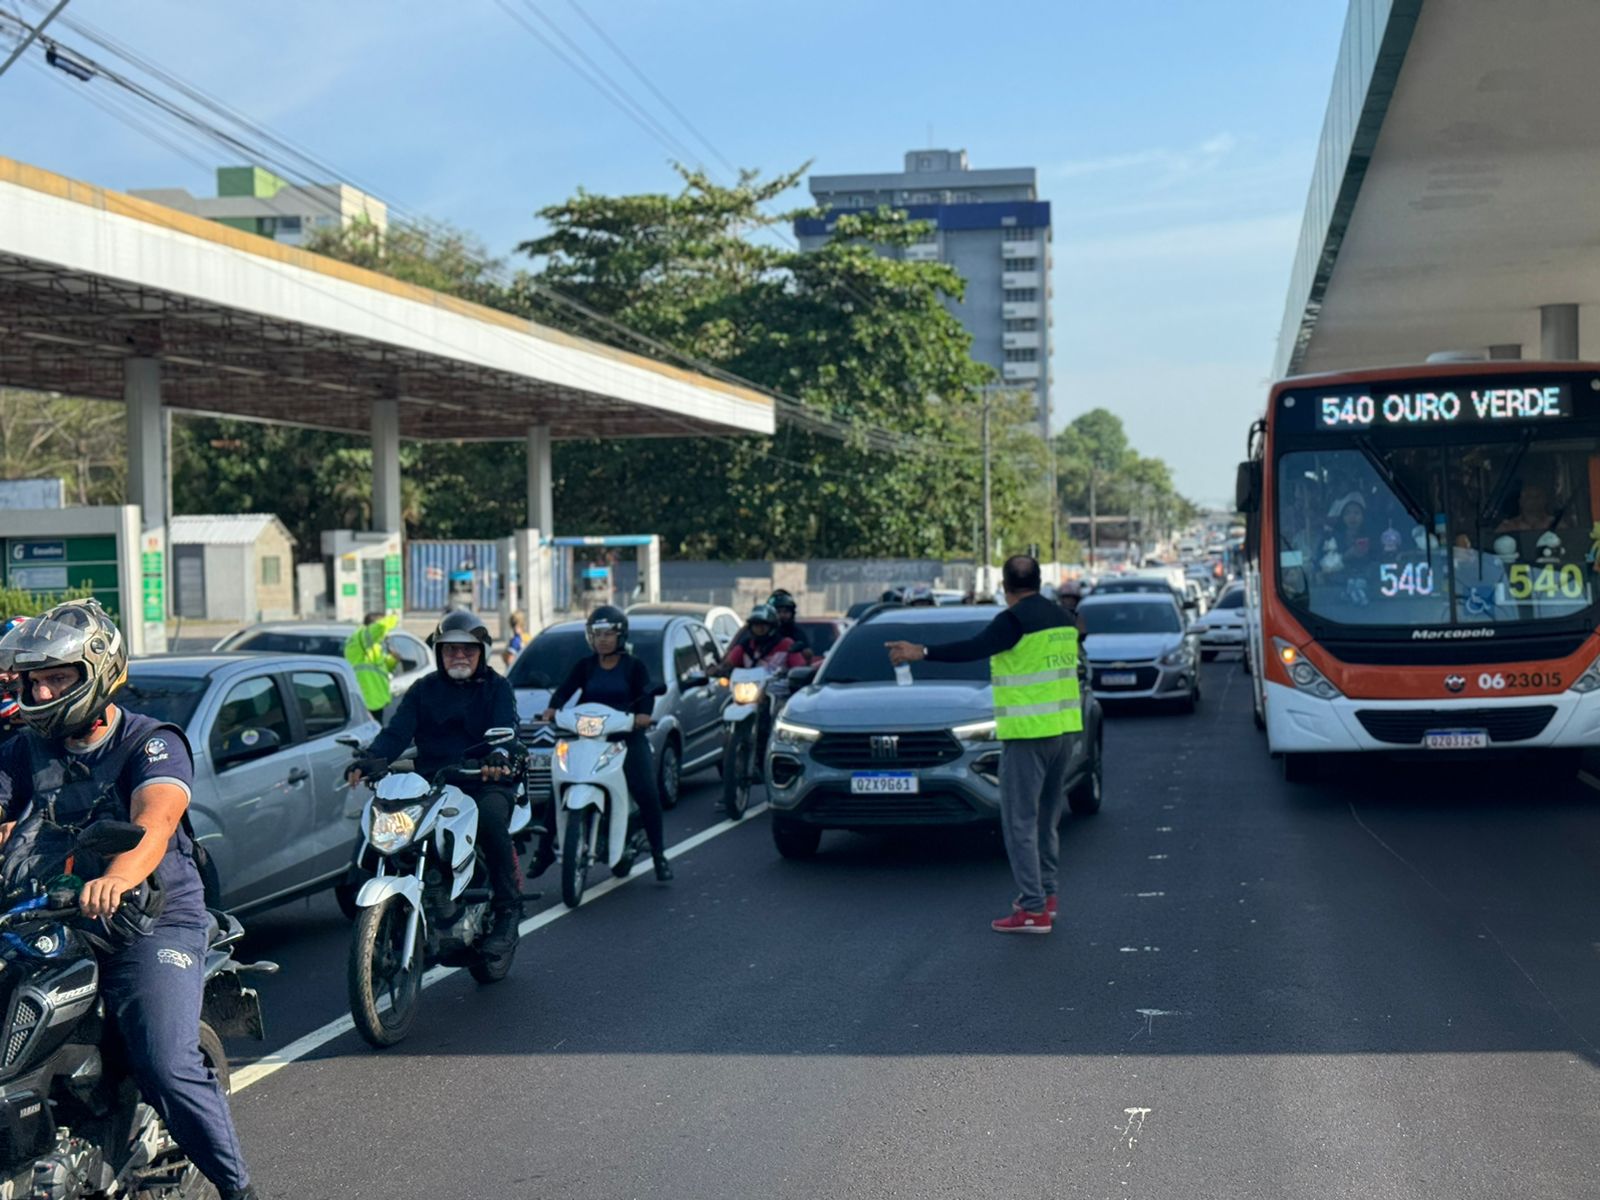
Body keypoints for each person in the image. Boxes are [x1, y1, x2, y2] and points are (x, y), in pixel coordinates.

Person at [0, 601, 257, 1199]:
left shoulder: (152, 742)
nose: (39, 691)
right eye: (32, 679)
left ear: (97, 673)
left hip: (151, 919)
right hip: (47, 916)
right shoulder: (20, 750)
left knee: (166, 1062)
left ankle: (238, 1188)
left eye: (55, 678)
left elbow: (155, 822)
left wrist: (116, 878)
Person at [885, 555, 1082, 935]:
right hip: (1063, 730)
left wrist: (921, 652)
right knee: (1046, 817)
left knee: (1019, 821)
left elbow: (973, 648)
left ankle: (1032, 908)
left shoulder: (1013, 620)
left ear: (1006, 588)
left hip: (1028, 733)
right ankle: (1049, 895)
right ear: (1039, 582)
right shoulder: (1063, 618)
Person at [349, 611, 525, 953]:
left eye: (467, 649)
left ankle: (507, 911)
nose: (459, 655)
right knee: (381, 825)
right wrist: (371, 758)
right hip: (432, 784)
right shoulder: (423, 690)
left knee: (490, 820)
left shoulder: (497, 688)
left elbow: (506, 730)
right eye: (450, 649)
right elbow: (397, 732)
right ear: (439, 653)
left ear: (482, 652)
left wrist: (498, 757)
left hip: (483, 781)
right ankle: (385, 911)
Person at [538, 607, 673, 882]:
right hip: (588, 737)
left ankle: (659, 856)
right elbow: (564, 691)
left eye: (608, 633)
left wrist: (644, 717)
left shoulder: (633, 666)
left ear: (620, 635)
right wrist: (552, 709)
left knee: (647, 790)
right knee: (561, 785)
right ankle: (545, 851)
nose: (602, 639)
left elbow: (645, 694)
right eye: (597, 634)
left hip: (625, 738)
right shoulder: (585, 666)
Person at [345, 610, 401, 719]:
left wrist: (393, 660)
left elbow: (379, 667)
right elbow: (380, 626)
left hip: (375, 698)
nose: (384, 633)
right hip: (366, 698)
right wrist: (394, 617)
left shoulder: (370, 645)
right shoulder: (361, 636)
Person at [766, 589, 815, 663]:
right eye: (778, 612)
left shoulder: (797, 634)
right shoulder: (755, 635)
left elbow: (806, 659)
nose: (782, 615)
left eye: (786, 612)